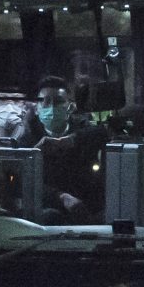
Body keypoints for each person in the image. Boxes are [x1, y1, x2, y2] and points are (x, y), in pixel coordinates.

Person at [34, 78, 110, 219]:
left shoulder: (84, 130)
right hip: (49, 208)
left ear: (70, 107)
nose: (51, 107)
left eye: (58, 101)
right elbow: (26, 181)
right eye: (45, 101)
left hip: (87, 206)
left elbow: (105, 133)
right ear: (36, 108)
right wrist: (61, 197)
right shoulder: (28, 134)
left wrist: (70, 140)